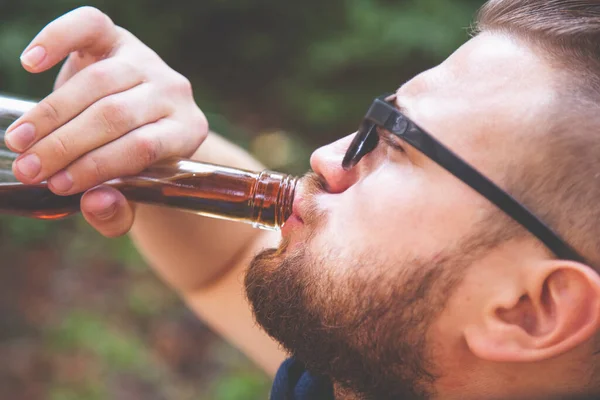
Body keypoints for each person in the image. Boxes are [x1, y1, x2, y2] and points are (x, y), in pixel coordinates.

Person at [4, 0, 600, 398]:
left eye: (395, 141)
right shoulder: (369, 365)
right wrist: (142, 133)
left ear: (532, 310)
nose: (326, 159)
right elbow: (227, 260)